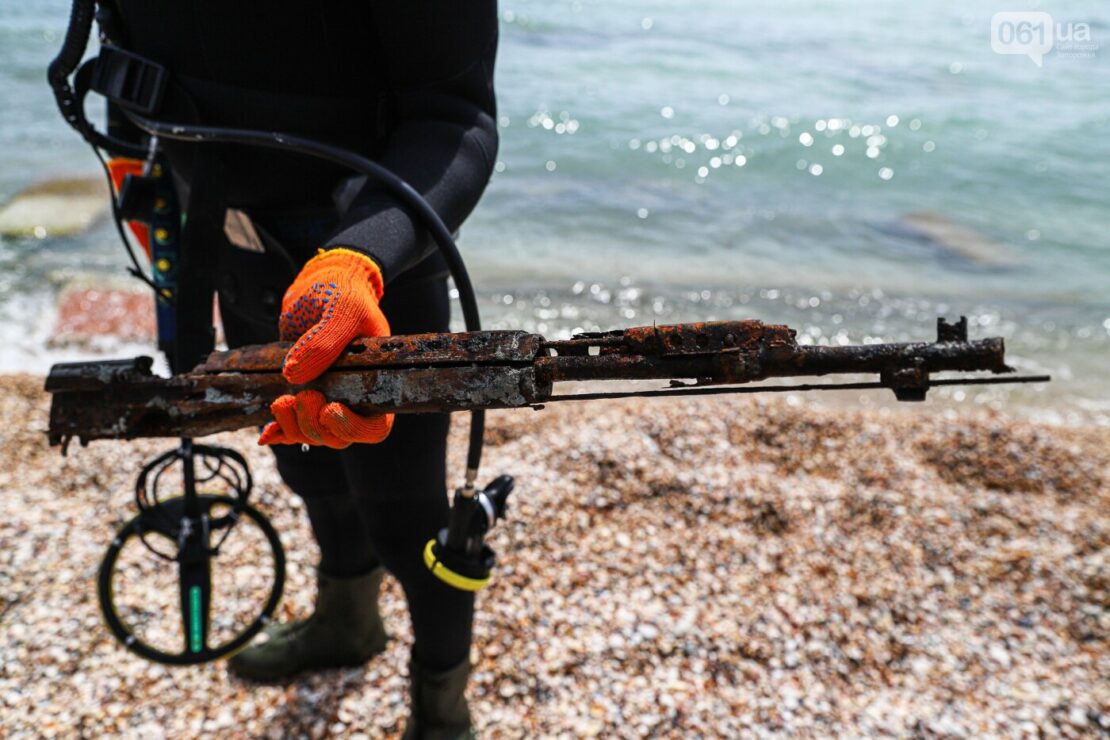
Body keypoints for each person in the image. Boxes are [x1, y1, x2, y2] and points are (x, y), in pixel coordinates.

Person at [105, 3, 500, 737]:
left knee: (408, 515)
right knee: (305, 465)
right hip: (226, 240)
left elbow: (455, 119)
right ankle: (347, 622)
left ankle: (443, 709)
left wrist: (361, 258)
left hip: (371, 268)